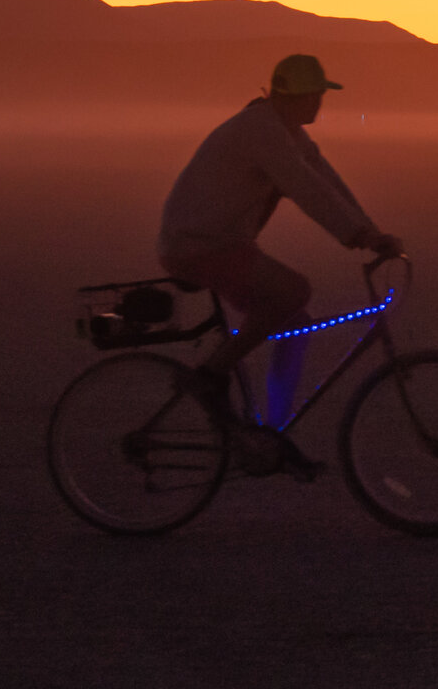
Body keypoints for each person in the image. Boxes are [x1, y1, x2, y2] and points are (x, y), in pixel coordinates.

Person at [157, 53, 403, 436]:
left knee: (295, 322)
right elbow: (305, 189)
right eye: (317, 95)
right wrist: (359, 237)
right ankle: (209, 375)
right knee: (293, 291)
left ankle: (274, 429)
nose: (320, 103)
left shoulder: (285, 131)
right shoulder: (263, 131)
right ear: (300, 97)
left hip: (218, 243)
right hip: (198, 245)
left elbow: (325, 180)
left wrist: (370, 231)